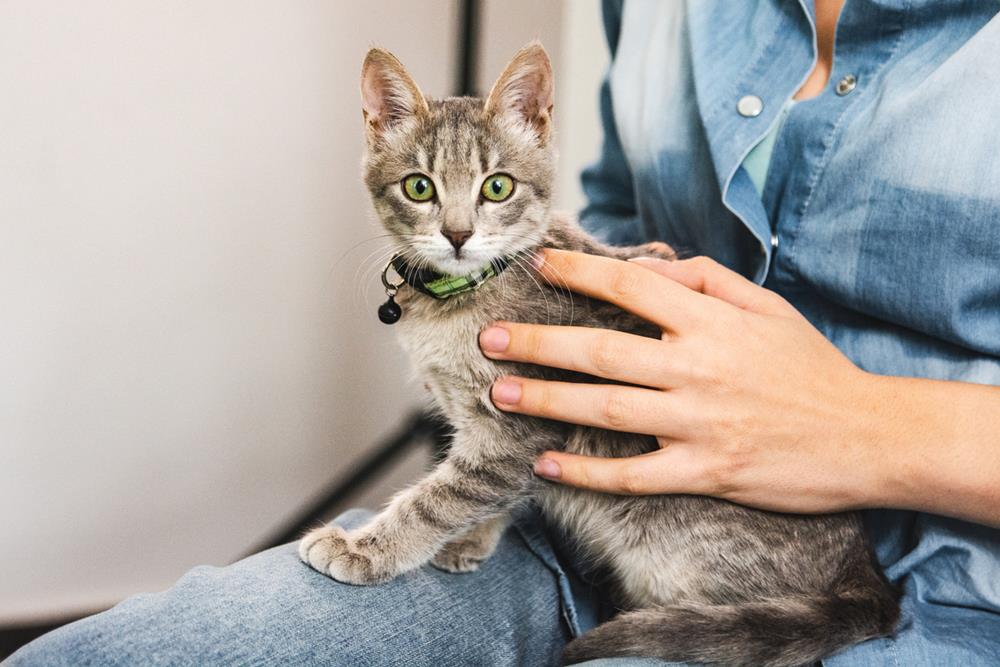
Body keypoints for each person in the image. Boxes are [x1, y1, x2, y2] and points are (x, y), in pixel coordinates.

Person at [9, 1, 1000, 665]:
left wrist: (863, 425)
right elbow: (614, 194)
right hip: (568, 514)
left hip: (941, 585)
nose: (451, 223)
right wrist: (611, 260)